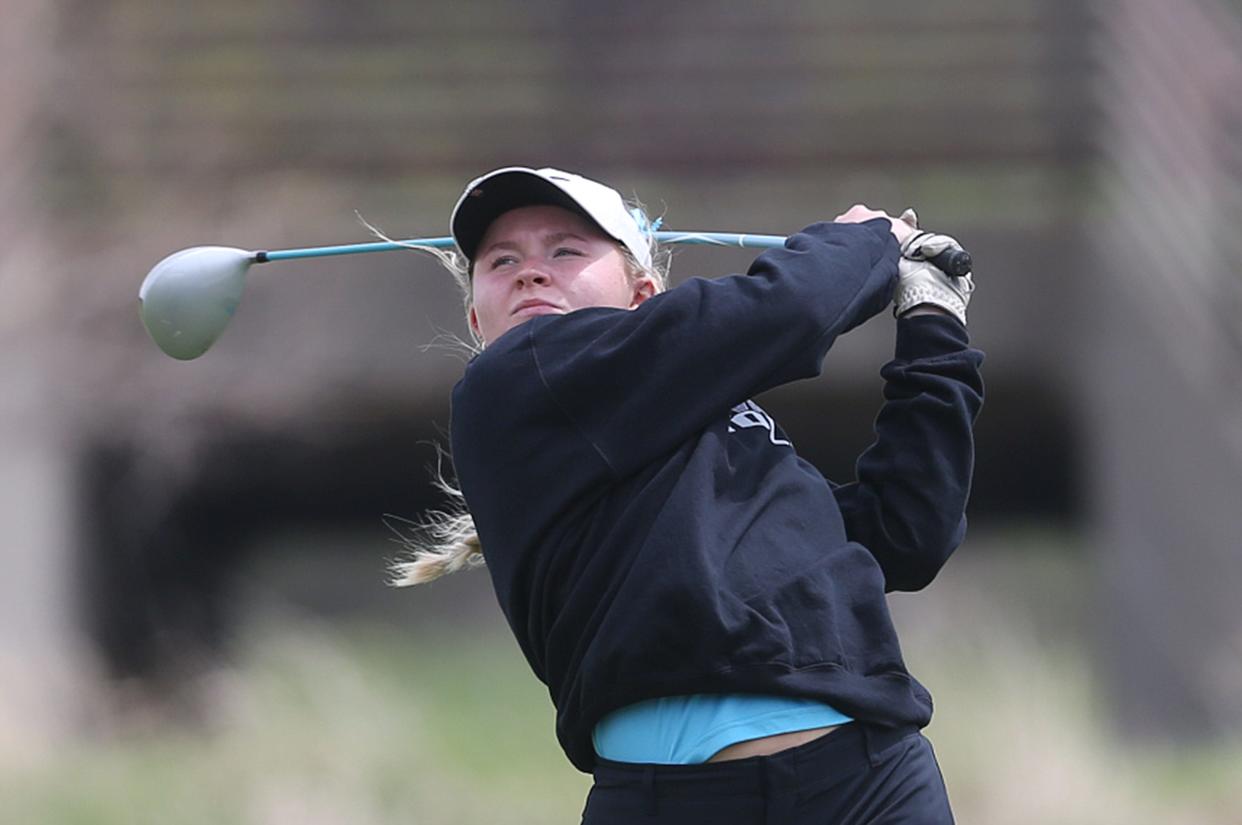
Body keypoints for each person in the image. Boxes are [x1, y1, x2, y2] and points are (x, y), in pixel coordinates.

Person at [393, 166, 982, 824]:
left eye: (565, 250)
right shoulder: (507, 383)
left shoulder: (725, 427)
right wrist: (866, 239)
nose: (531, 272)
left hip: (870, 781)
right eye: (502, 260)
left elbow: (906, 534)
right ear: (478, 318)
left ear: (642, 293)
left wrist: (934, 321)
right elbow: (788, 309)